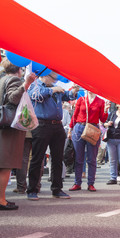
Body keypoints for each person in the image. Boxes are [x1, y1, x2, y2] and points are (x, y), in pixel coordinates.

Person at [26, 71, 78, 201]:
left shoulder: (55, 88)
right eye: (54, 79)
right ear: (45, 75)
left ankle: (57, 189)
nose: (55, 81)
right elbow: (35, 96)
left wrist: (74, 90)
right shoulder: (35, 85)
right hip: (41, 125)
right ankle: (32, 190)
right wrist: (53, 90)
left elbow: (67, 95)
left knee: (58, 159)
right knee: (37, 159)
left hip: (57, 126)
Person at [0, 59, 36, 210]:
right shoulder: (14, 79)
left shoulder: (2, 79)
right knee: (5, 166)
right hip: (9, 127)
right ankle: (1, 200)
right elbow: (13, 98)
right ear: (19, 69)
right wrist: (26, 83)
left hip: (2, 125)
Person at [68, 92, 110, 192]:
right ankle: (77, 183)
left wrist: (105, 110)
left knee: (92, 158)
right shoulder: (81, 99)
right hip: (79, 128)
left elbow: (102, 119)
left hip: (92, 128)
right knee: (78, 158)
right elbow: (75, 115)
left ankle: (91, 183)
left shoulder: (101, 101)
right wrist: (70, 129)